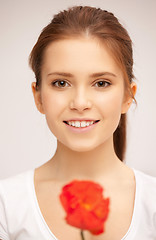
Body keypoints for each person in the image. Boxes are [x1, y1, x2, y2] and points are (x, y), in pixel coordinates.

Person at [0, 5, 156, 240]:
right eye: (61, 83)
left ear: (127, 96)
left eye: (101, 83)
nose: (80, 103)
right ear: (38, 96)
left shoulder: (152, 204)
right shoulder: (6, 205)